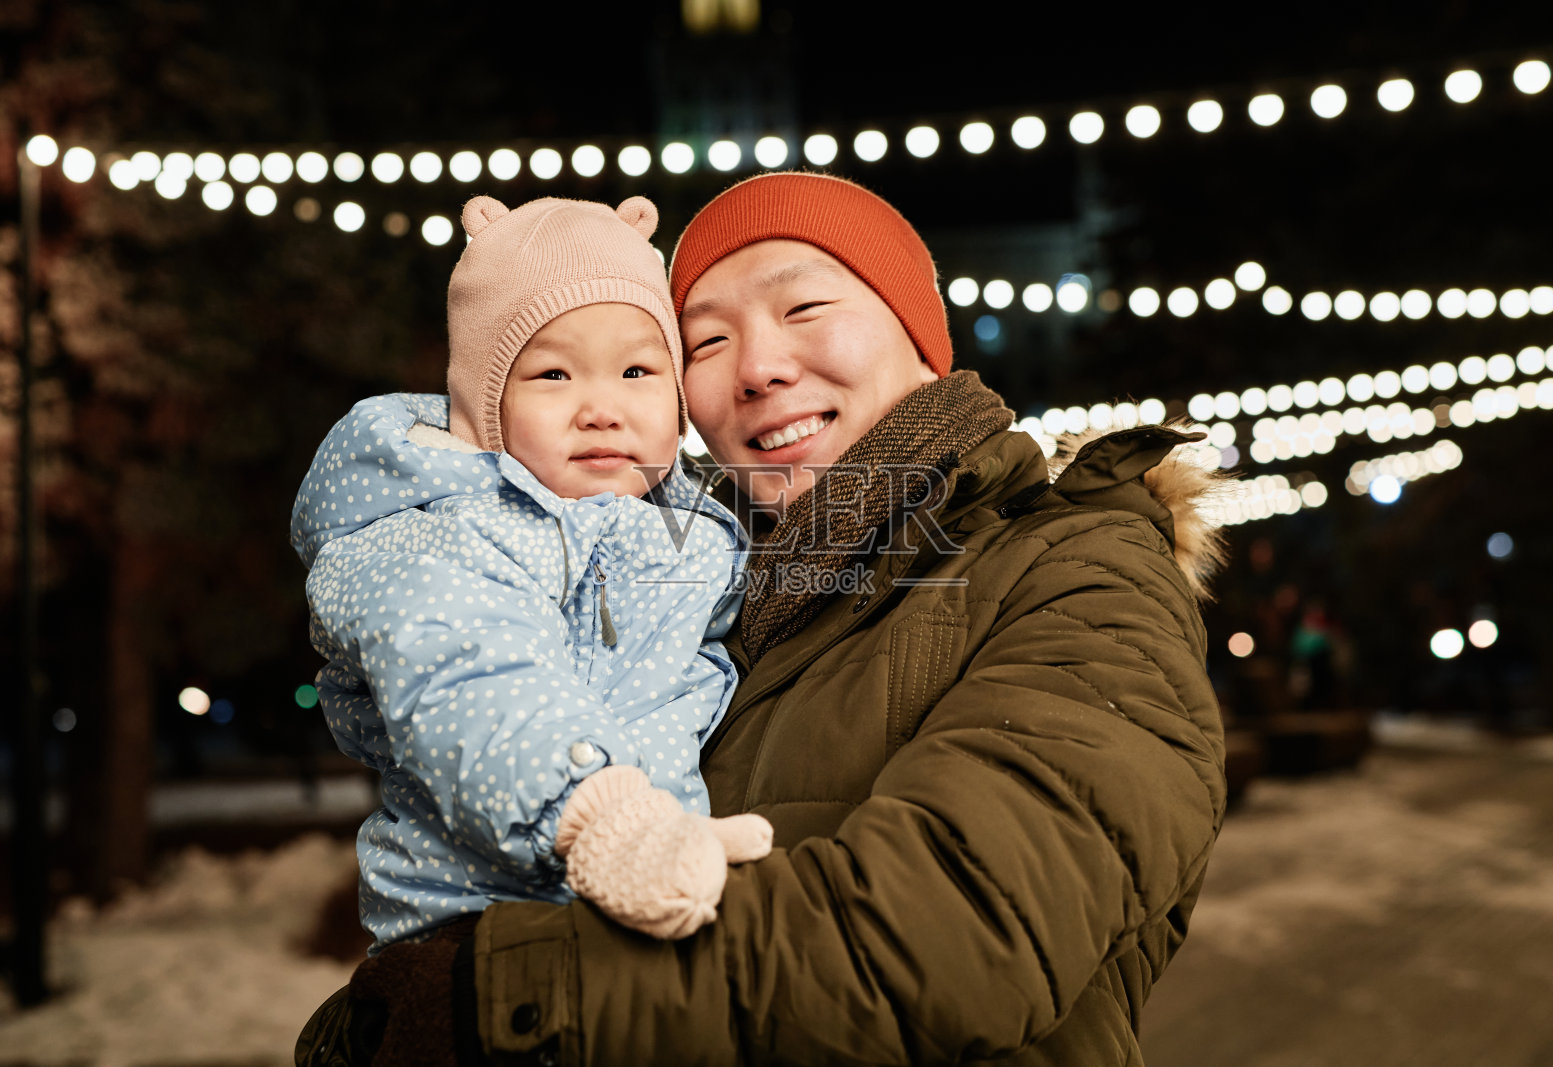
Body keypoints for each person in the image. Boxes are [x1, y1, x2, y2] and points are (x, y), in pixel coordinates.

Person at [297, 172, 1229, 1066]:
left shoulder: (1081, 572)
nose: (759, 368)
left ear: (918, 337)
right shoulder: (698, 585)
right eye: (702, 342)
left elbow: (964, 926)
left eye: (804, 308)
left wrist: (497, 1000)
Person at [290, 194, 772, 954]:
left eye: (638, 369)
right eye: (553, 374)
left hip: (640, 905)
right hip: (476, 920)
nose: (601, 407)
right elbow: (471, 676)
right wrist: (600, 818)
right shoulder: (443, 534)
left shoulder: (703, 535)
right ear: (487, 409)